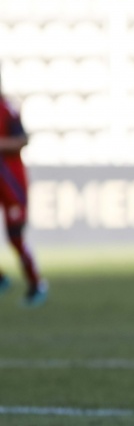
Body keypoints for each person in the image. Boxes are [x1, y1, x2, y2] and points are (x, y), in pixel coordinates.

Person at [0, 66, 47, 307]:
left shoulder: (7, 109)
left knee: (15, 236)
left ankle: (36, 284)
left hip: (11, 183)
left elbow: (22, 140)